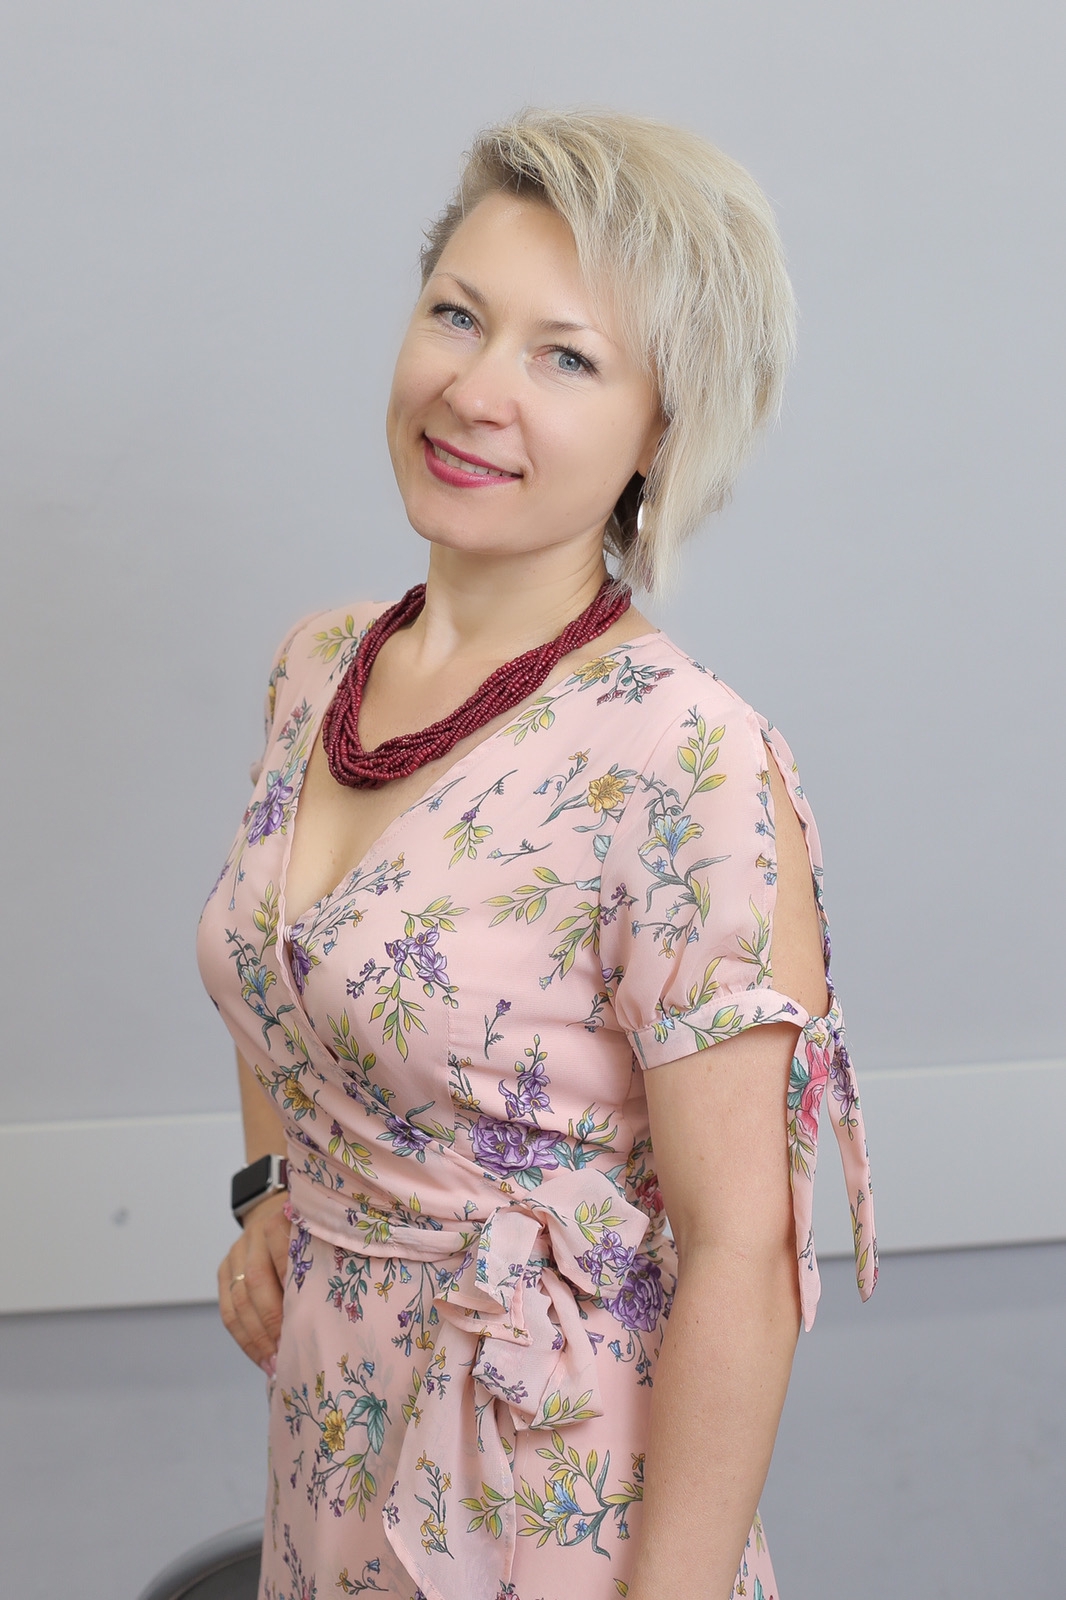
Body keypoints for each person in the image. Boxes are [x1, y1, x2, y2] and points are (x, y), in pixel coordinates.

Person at [197, 107, 876, 1600]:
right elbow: (284, 961)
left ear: (661, 433)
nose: (473, 389)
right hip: (328, 1447)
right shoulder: (319, 666)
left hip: (552, 1495)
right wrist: (269, 1188)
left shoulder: (684, 758)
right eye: (457, 315)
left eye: (564, 358)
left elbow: (743, 1257)